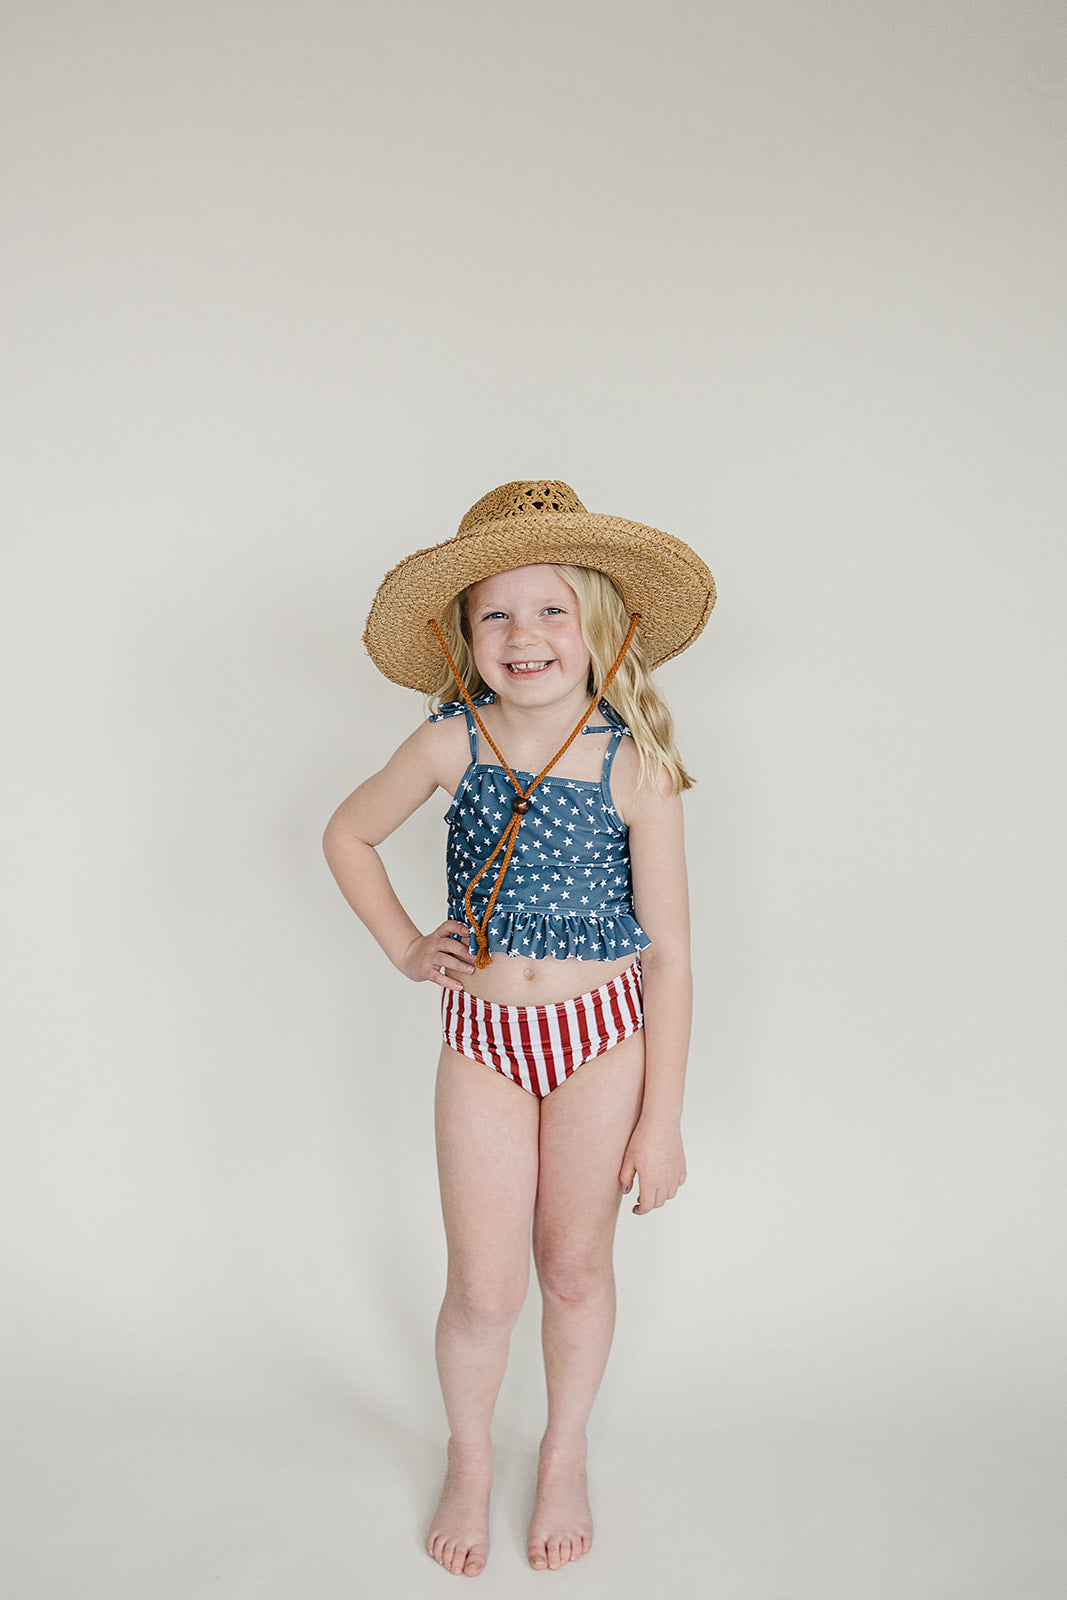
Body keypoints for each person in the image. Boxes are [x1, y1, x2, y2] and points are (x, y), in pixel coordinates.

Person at [322, 480, 715, 1577]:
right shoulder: (452, 742)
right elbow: (347, 834)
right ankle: (468, 1454)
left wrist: (662, 1121)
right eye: (495, 614)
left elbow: (671, 954)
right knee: (485, 1286)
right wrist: (409, 947)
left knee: (575, 1267)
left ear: (597, 623)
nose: (523, 636)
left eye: (549, 610)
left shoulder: (634, 766)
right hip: (483, 1043)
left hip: (600, 1039)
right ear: (465, 637)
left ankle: (562, 1452)